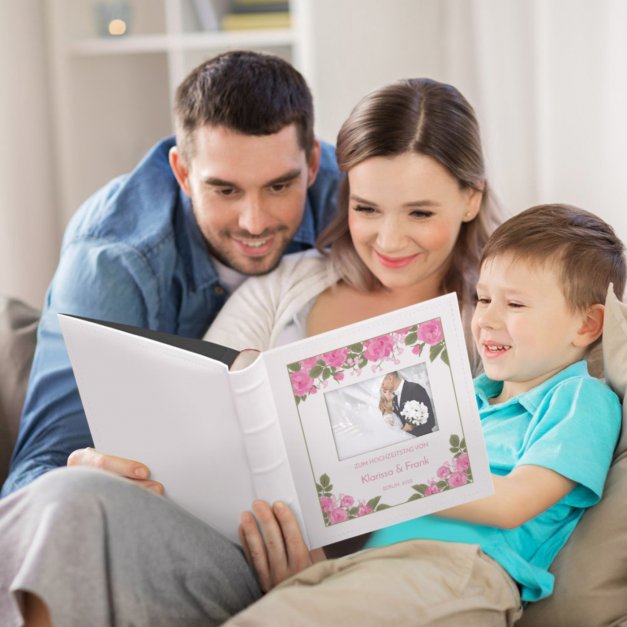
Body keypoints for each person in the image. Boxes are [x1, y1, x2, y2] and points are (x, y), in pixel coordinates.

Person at [0, 77, 500, 626]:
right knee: (71, 497)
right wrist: (109, 464)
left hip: (357, 582)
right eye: (367, 209)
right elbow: (189, 406)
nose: (389, 239)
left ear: (470, 197)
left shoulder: (492, 325)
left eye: (420, 214)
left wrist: (320, 578)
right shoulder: (291, 282)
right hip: (214, 547)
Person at [224, 204, 624, 626]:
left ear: (586, 325)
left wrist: (389, 468)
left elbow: (513, 503)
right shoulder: (463, 393)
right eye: (483, 298)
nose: (486, 318)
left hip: (461, 571)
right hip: (373, 565)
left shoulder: (581, 398)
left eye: (516, 304)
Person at [1, 50, 340, 497]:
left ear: (312, 163)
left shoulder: (355, 201)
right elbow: (31, 479)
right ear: (182, 172)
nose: (254, 221)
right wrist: (80, 482)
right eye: (224, 189)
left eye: (279, 186)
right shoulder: (112, 262)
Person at [380, 370, 437, 436]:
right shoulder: (393, 398)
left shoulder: (415, 388)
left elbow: (431, 421)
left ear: (390, 378)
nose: (382, 387)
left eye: (382, 383)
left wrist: (412, 424)